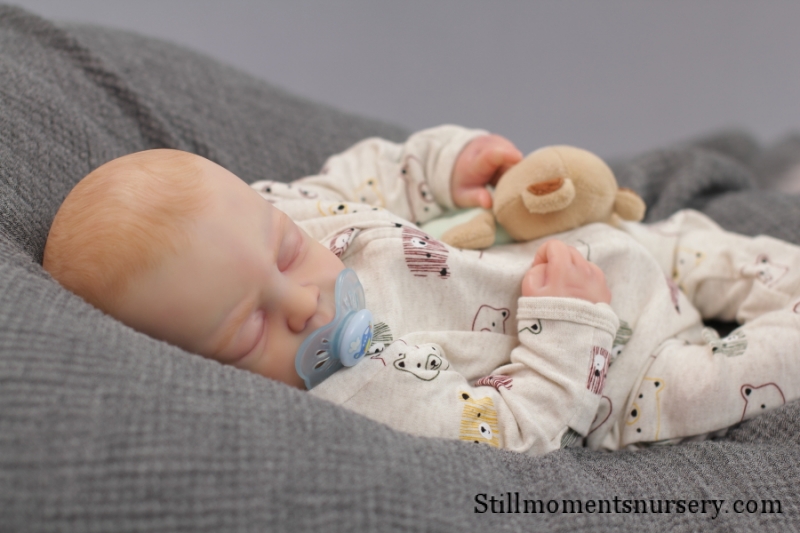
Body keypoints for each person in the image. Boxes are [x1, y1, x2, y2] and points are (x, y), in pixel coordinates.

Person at [43, 125, 800, 455]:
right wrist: (570, 325)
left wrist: (445, 164)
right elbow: (513, 432)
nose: (302, 303)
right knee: (724, 380)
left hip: (585, 244)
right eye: (248, 331)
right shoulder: (360, 390)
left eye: (286, 251)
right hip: (624, 374)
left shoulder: (280, 211)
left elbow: (367, 173)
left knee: (700, 243)